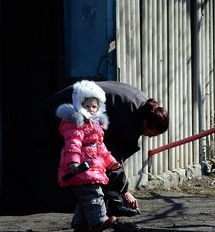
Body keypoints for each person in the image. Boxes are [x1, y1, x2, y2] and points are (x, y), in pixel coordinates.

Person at [47, 80, 169, 217]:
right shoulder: (129, 121)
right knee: (80, 159)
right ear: (146, 124)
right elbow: (112, 159)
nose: (151, 137)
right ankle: (100, 213)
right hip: (68, 106)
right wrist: (125, 192)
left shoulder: (143, 107)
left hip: (77, 98)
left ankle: (101, 206)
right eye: (153, 134)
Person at [56, 80, 119, 232]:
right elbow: (73, 145)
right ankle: (98, 221)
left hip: (91, 169)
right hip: (80, 169)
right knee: (94, 195)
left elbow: (101, 149)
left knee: (85, 198)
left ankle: (80, 225)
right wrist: (73, 163)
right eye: (87, 106)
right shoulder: (75, 124)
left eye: (94, 106)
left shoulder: (96, 127)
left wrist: (111, 162)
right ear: (79, 105)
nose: (91, 110)